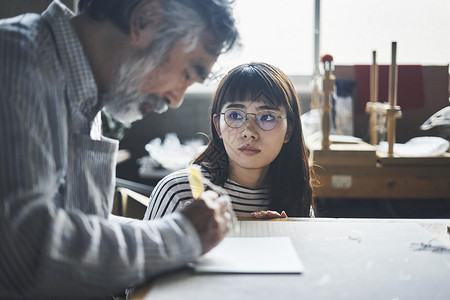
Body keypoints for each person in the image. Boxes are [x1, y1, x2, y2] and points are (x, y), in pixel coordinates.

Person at [0, 0, 239, 298]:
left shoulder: (87, 93)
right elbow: (24, 252)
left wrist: (180, 228)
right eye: (189, 73)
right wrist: (179, 235)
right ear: (144, 19)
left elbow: (76, 223)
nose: (176, 100)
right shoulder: (16, 62)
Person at [144, 62, 313, 221]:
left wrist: (283, 235)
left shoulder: (296, 194)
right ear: (218, 127)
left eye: (267, 117)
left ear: (288, 130)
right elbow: (145, 252)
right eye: (235, 115)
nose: (249, 132)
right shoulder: (179, 192)